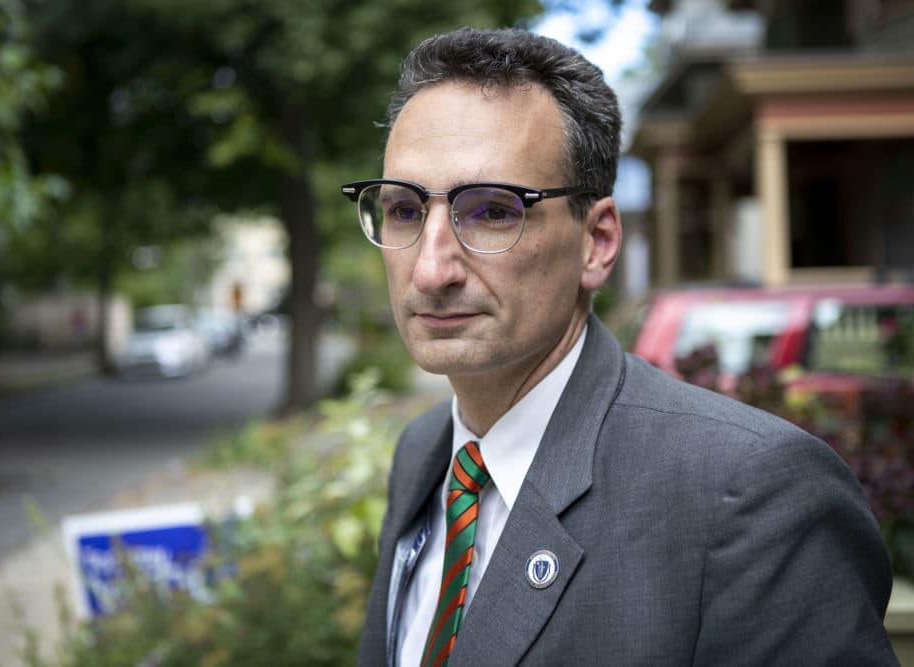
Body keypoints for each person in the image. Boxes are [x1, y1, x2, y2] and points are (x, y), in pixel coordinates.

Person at [342, 27, 897, 666]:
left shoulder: (749, 494)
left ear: (597, 242)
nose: (431, 270)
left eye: (492, 210)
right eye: (404, 211)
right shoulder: (424, 454)